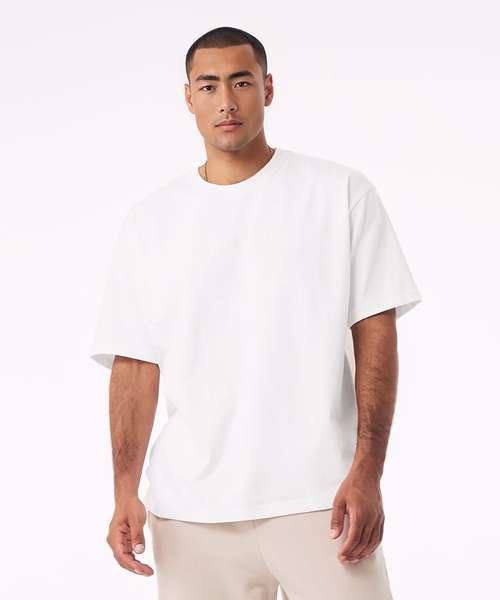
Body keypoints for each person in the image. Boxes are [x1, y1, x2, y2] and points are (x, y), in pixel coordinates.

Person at [90, 25, 422, 600]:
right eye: (209, 85)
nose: (226, 101)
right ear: (188, 98)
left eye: (241, 82)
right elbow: (135, 364)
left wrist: (368, 471)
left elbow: (376, 336)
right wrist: (125, 491)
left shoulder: (339, 193)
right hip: (190, 512)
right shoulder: (151, 222)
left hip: (321, 498)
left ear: (268, 89)